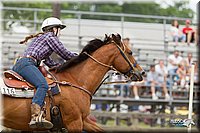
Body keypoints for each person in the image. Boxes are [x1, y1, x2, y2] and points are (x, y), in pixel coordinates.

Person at [12, 17, 77, 129]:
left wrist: (62, 69)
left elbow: (51, 63)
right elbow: (65, 54)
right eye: (59, 29)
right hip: (27, 64)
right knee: (42, 85)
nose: (60, 32)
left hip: (21, 64)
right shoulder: (50, 37)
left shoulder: (42, 39)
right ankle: (35, 116)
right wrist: (81, 57)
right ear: (54, 29)